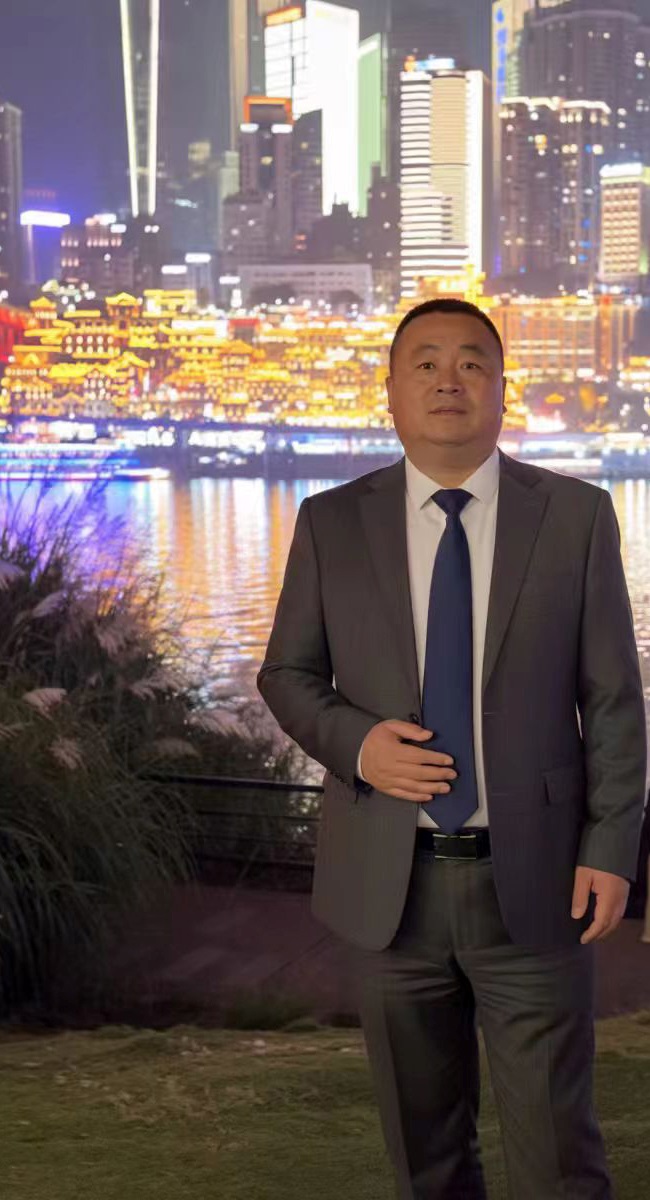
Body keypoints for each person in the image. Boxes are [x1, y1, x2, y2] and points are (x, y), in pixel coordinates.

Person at [257, 298, 648, 1199]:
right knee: (426, 1163)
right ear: (390, 393)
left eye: (472, 363)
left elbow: (614, 702)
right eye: (425, 363)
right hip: (388, 889)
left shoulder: (577, 517)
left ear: (503, 390)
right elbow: (287, 675)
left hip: (539, 883)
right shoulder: (330, 522)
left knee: (559, 1164)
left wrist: (611, 846)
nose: (448, 381)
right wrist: (361, 747)